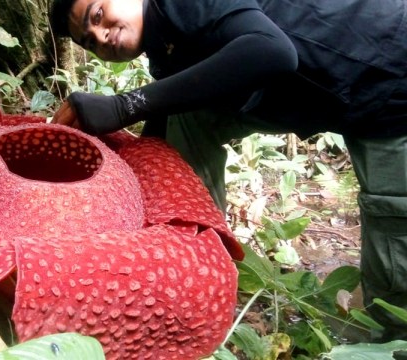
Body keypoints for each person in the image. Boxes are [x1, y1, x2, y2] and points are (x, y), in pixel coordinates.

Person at [49, 0, 407, 347]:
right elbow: (160, 136)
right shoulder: (166, 48)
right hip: (331, 90)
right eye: (89, 41)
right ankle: (197, 266)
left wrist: (124, 105)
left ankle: (391, 341)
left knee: (394, 232)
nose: (100, 34)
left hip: (389, 71)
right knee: (188, 120)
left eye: (97, 14)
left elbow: (273, 52)